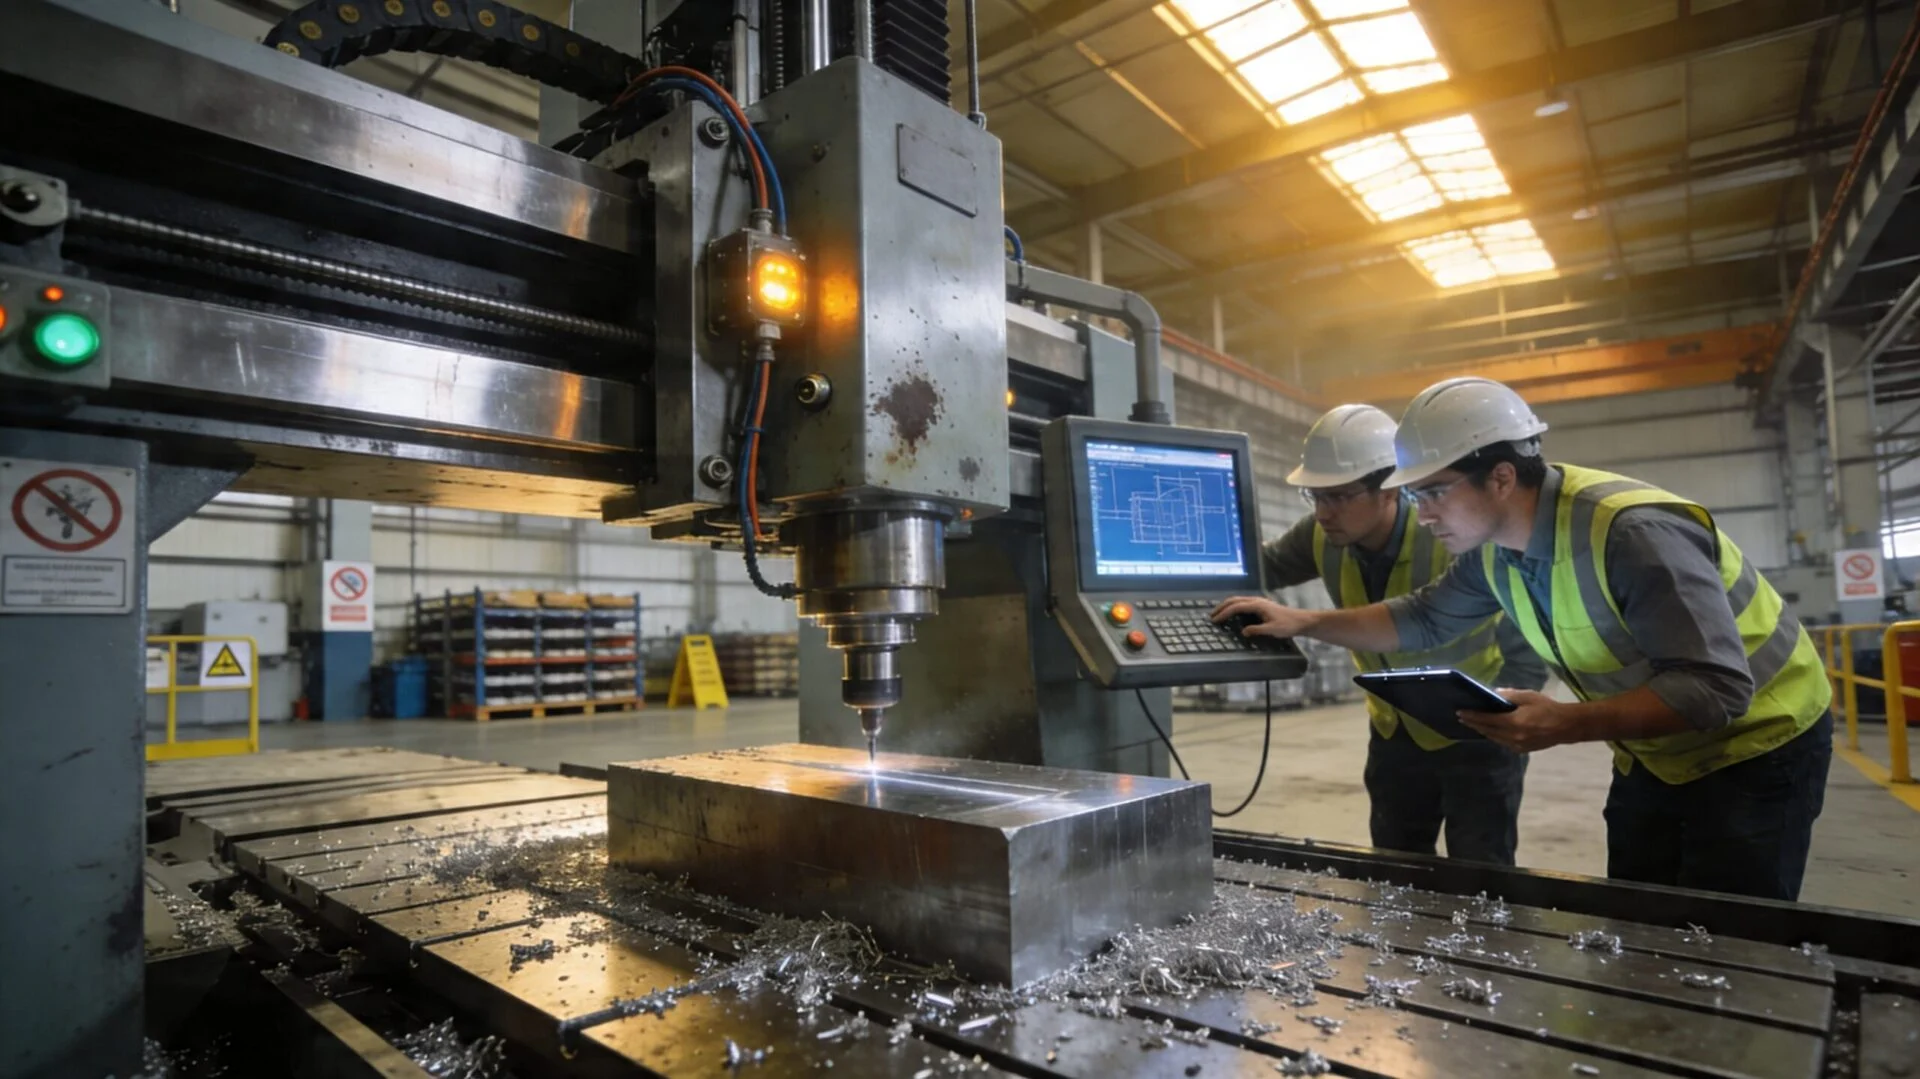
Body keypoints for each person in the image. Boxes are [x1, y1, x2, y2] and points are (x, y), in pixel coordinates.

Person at [1216, 378, 1834, 901]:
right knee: (1646, 923)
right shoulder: (1496, 553)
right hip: (1656, 752)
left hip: (1759, 746)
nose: (1422, 514)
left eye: (1432, 492)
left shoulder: (1632, 534)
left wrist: (1567, 721)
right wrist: (1303, 622)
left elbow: (1716, 688)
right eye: (1413, 495)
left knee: (1732, 938)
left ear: (1503, 477)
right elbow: (1424, 618)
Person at [1264, 404, 1546, 865]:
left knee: (1480, 871)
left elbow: (1527, 634)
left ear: (1390, 490)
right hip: (1395, 728)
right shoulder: (1319, 535)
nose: (1323, 513)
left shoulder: (1452, 529)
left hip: (1478, 730)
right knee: (1396, 865)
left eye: (1338, 496)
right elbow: (1262, 567)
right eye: (1315, 497)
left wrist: (1505, 711)